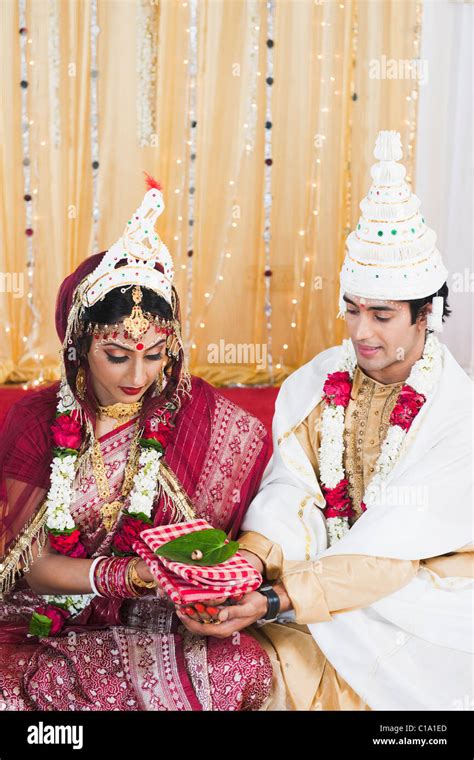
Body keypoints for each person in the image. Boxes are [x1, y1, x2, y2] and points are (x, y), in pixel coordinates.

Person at [177, 131, 473, 711]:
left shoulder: (458, 416)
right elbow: (293, 492)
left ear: (426, 315)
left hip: (422, 595)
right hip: (306, 582)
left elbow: (393, 555)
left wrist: (275, 599)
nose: (361, 332)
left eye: (382, 315)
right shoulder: (317, 383)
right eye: (353, 309)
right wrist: (248, 563)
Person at [0, 176, 272, 711]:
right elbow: (31, 565)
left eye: (155, 354)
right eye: (118, 354)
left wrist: (210, 584)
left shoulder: (197, 411)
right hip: (54, 612)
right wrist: (130, 575)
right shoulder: (37, 419)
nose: (139, 374)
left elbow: (253, 518)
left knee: (244, 668)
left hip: (161, 619)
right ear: (79, 345)